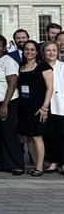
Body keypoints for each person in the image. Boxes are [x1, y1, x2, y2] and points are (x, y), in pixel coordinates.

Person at [0, 35, 23, 176]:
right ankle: (2, 163)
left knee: (8, 133)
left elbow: (12, 84)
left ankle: (17, 164)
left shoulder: (8, 61)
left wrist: (5, 104)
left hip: (7, 102)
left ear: (4, 47)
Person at [17, 39, 54, 176]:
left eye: (32, 49)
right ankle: (34, 164)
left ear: (37, 51)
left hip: (38, 107)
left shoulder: (43, 66)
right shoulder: (22, 66)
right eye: (26, 49)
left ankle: (39, 167)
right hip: (25, 106)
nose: (29, 52)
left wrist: (45, 107)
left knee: (37, 136)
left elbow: (50, 88)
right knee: (30, 137)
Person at [44, 41, 64, 174]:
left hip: (61, 104)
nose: (51, 53)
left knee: (62, 135)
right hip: (46, 105)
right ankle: (53, 162)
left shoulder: (62, 66)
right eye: (48, 51)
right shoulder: (41, 66)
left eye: (54, 51)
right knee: (50, 135)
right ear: (44, 52)